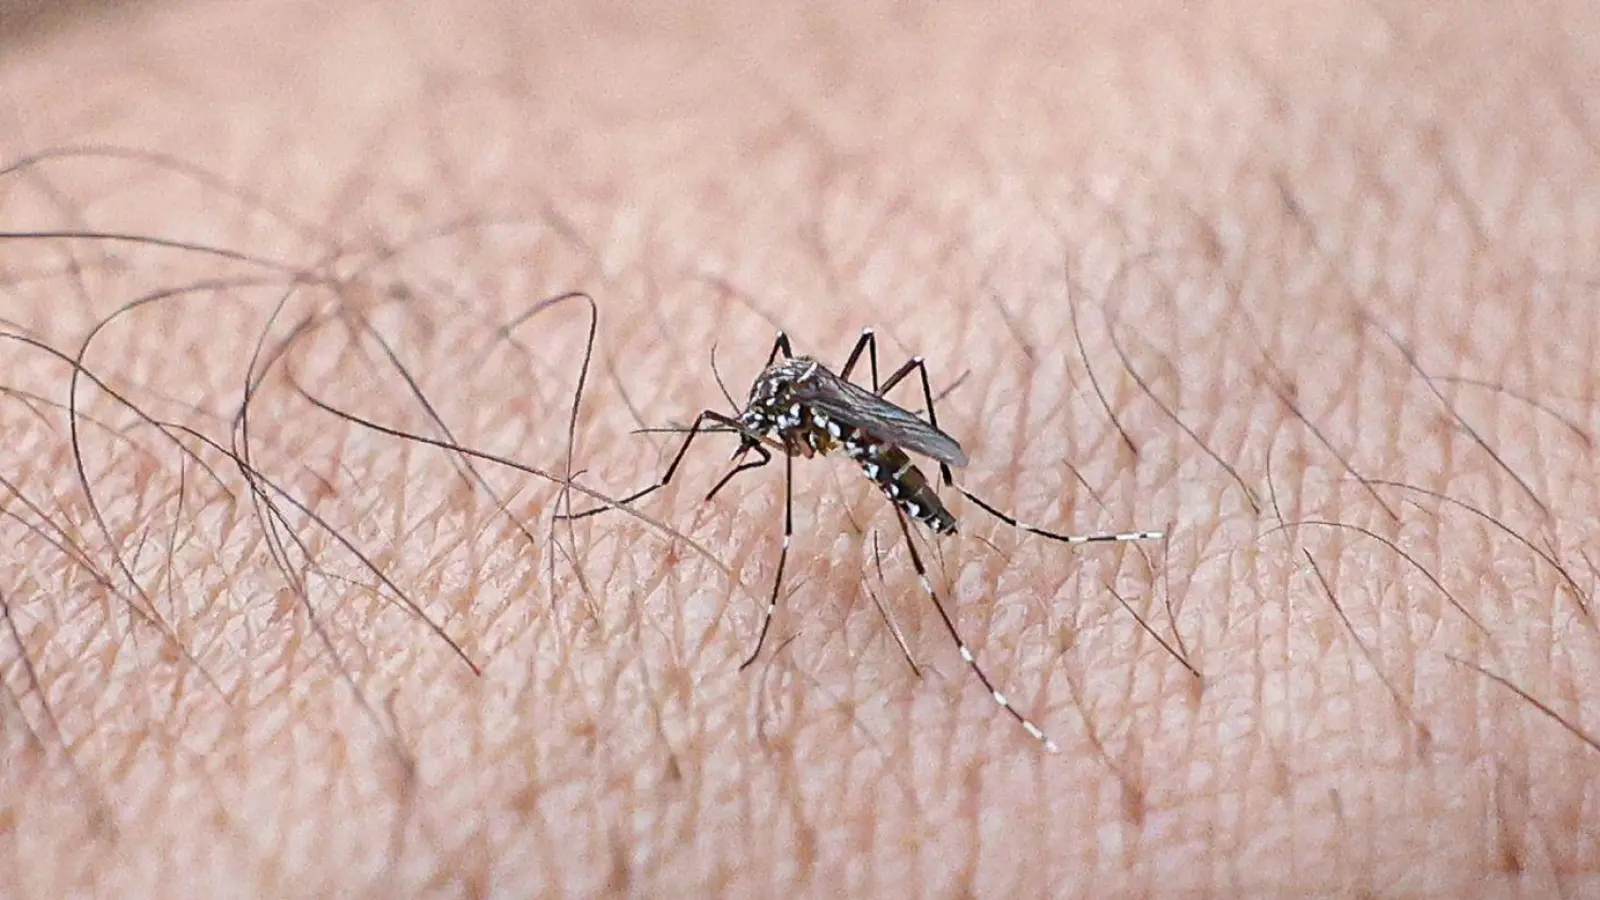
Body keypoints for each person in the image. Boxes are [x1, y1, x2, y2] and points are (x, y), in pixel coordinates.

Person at [1, 1, 1593, 895]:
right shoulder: (773, 404)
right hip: (855, 414)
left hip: (897, 447)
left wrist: (853, 468)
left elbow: (815, 436)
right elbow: (765, 417)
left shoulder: (821, 424)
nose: (749, 437)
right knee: (819, 422)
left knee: (870, 476)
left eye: (754, 429)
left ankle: (1007, 589)